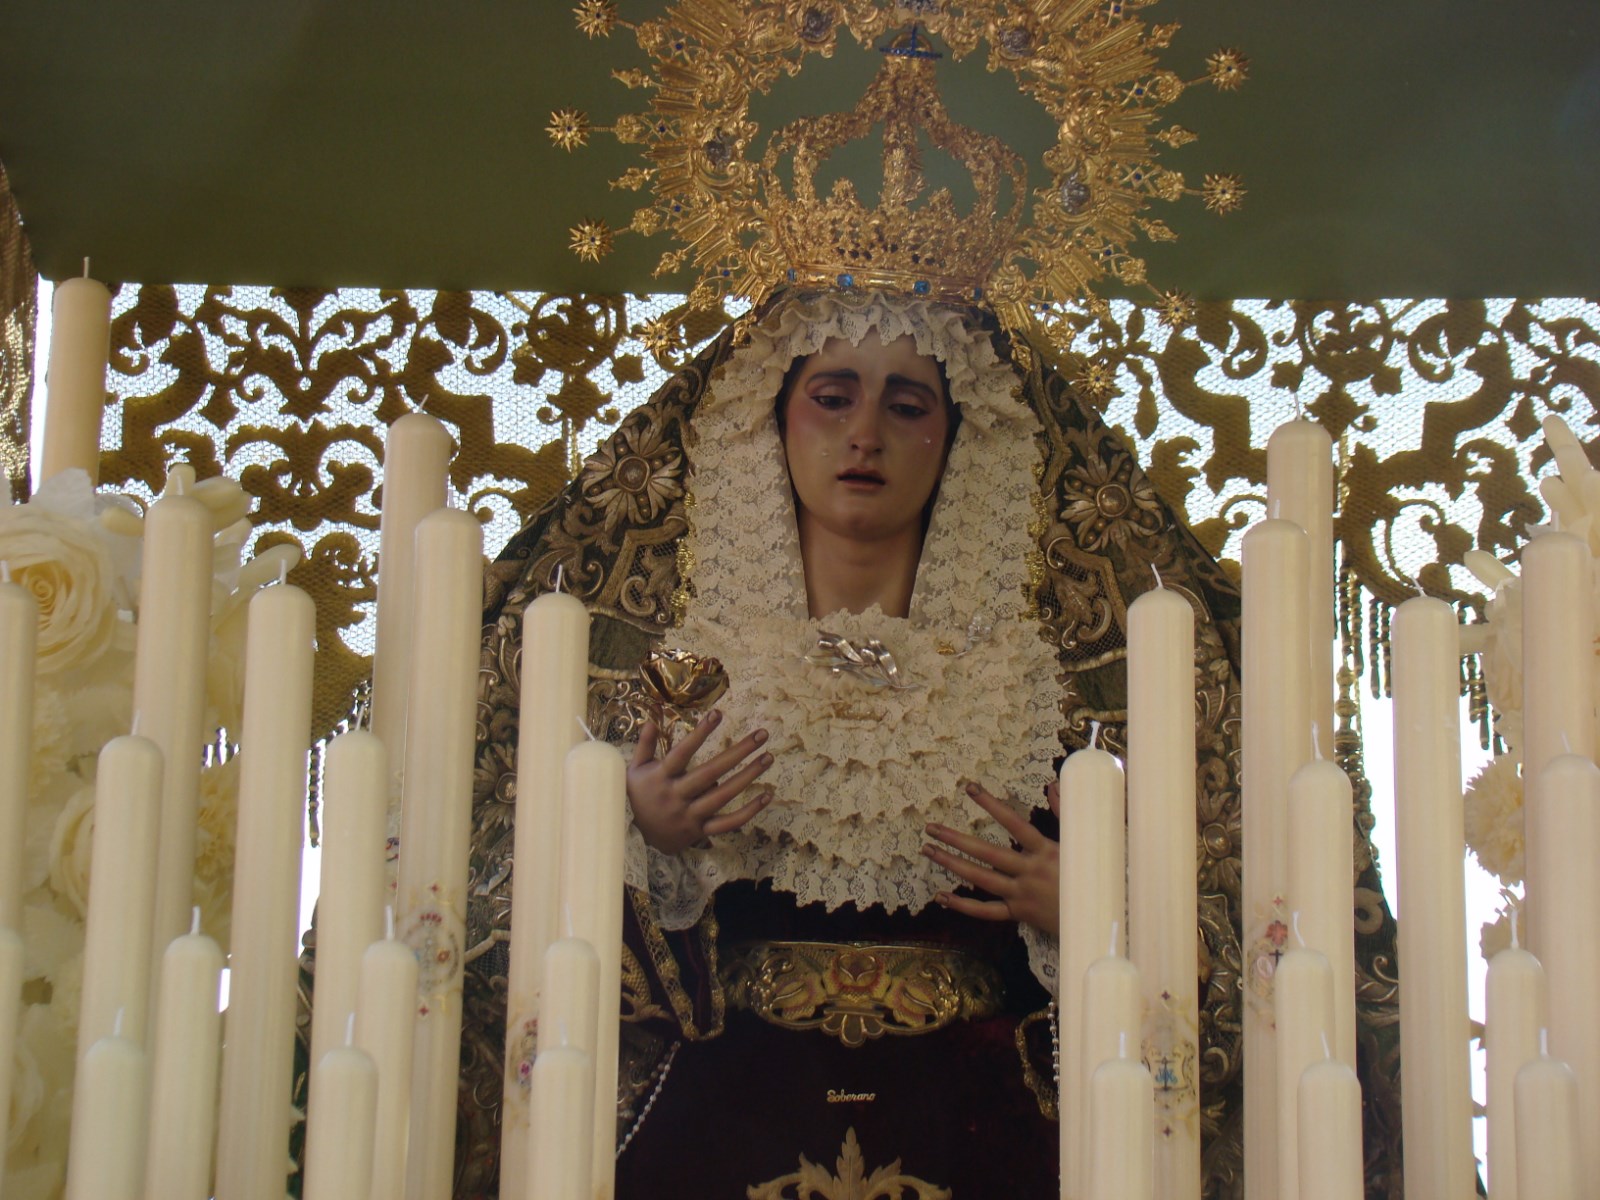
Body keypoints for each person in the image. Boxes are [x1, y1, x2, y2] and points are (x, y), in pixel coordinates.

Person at [457, 286, 1411, 1198]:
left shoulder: (1061, 694)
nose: (864, 435)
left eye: (907, 405)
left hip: (992, 1134)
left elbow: (1237, 951)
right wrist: (635, 838)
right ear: (770, 421)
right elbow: (518, 946)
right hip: (715, 1130)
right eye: (833, 397)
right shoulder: (659, 681)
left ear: (960, 436)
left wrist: (1098, 912)